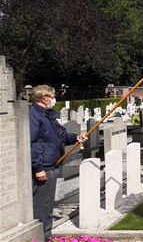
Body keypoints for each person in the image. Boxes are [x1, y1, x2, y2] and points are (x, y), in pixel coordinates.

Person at [29, 85, 87, 239]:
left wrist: (75, 138)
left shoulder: (47, 114)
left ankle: (46, 235)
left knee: (48, 205)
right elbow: (32, 143)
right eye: (52, 96)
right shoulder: (33, 115)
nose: (54, 99)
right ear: (44, 98)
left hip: (52, 164)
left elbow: (61, 135)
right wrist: (38, 168)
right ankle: (42, 237)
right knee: (43, 206)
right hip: (44, 167)